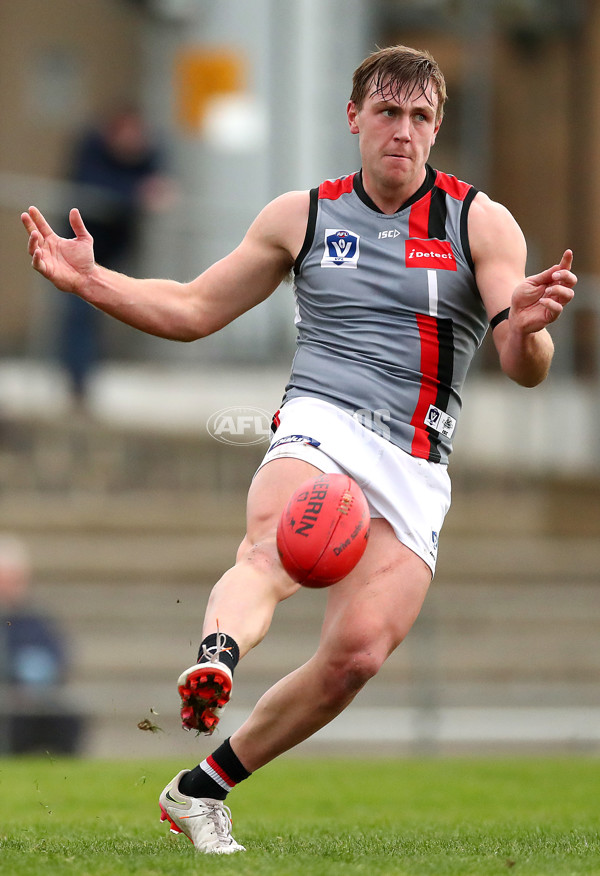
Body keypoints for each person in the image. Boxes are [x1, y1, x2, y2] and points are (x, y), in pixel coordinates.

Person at [22, 45, 576, 852]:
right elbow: (192, 308)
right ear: (353, 118)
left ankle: (199, 789)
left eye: (420, 117)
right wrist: (93, 281)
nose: (403, 132)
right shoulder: (301, 215)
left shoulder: (479, 222)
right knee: (271, 549)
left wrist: (527, 330)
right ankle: (216, 657)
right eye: (387, 113)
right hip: (321, 419)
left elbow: (523, 368)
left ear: (437, 127)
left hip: (417, 460)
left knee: (354, 657)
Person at [58, 104, 172, 401]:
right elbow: (91, 186)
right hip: (76, 253)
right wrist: (137, 193)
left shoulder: (149, 153)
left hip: (115, 252)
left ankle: (89, 377)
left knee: (115, 310)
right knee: (79, 316)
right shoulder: (91, 149)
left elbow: (158, 185)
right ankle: (78, 384)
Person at [0, 534, 84, 754]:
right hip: (7, 701)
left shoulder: (35, 620)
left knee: (67, 717)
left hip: (35, 701)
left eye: (14, 580)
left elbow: (59, 656)